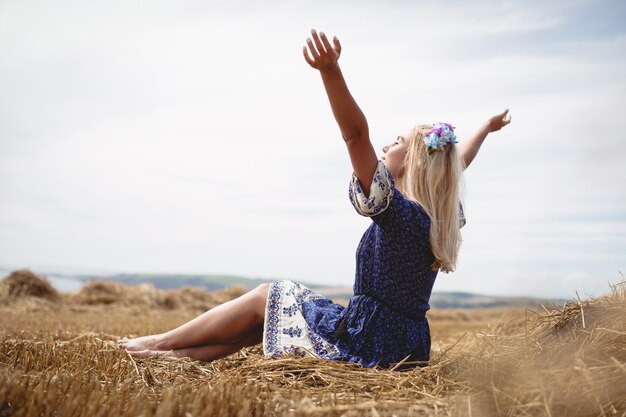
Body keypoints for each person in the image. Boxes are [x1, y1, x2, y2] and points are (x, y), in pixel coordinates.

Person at [118, 29, 511, 369]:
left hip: (368, 339)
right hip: (405, 344)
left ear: (413, 163)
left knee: (268, 294)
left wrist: (330, 71)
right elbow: (455, 164)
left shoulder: (399, 212)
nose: (387, 143)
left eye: (398, 141)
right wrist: (486, 129)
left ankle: (159, 342)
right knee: (263, 323)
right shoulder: (436, 216)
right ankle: (165, 359)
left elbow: (355, 135)